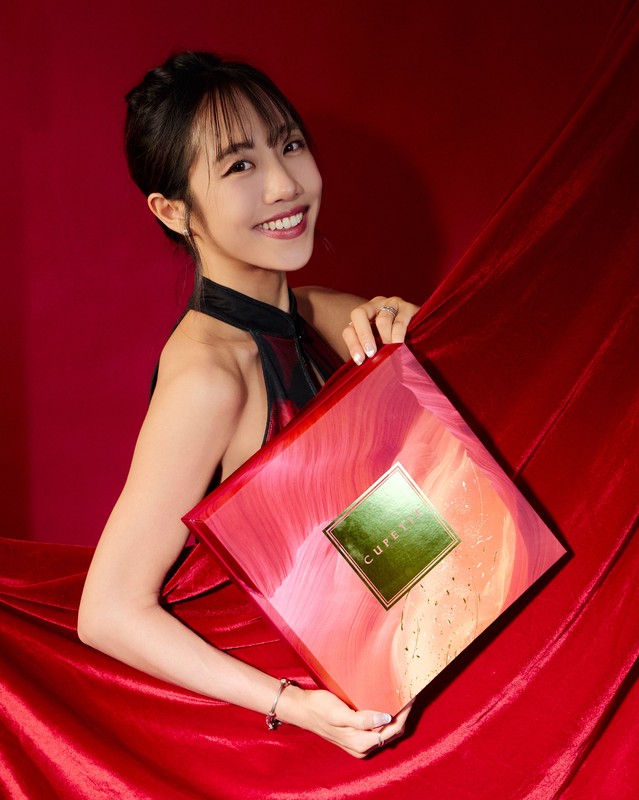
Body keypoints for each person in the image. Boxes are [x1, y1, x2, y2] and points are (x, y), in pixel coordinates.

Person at [77, 50, 419, 758]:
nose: (285, 184)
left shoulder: (320, 312)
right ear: (173, 211)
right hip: (333, 731)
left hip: (416, 650)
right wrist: (296, 708)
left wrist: (407, 323)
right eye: (239, 165)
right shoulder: (210, 378)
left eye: (289, 145)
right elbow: (108, 610)